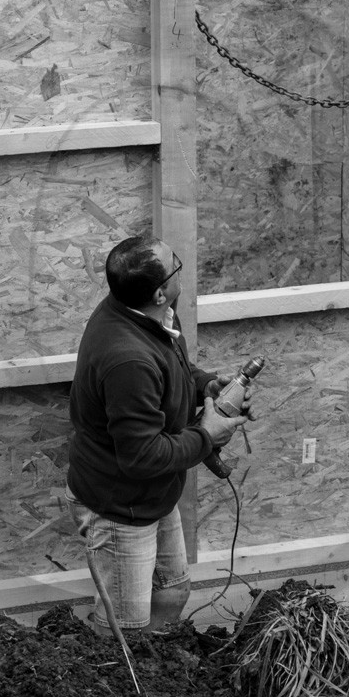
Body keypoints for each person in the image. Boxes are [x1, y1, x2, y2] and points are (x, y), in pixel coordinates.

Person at [67, 234, 250, 632]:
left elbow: (169, 368)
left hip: (150, 494)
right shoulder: (126, 358)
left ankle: (158, 671)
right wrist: (208, 436)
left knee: (171, 591)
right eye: (176, 268)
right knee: (124, 629)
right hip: (120, 506)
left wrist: (204, 385)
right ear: (160, 292)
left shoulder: (149, 314)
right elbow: (142, 455)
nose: (181, 271)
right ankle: (117, 680)